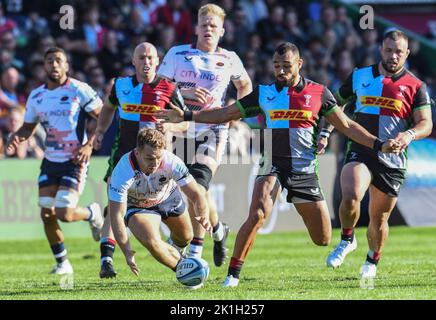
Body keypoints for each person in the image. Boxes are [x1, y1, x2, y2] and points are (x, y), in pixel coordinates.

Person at [157, 42, 401, 288]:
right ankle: (232, 277)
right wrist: (188, 115)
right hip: (271, 164)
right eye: (276, 66)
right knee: (257, 214)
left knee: (323, 238)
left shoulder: (319, 93)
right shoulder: (264, 93)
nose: (281, 71)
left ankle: (349, 239)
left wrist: (379, 145)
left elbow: (347, 126)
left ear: (299, 64)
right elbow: (225, 113)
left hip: (303, 170)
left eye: (286, 66)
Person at [321, 30, 432, 280]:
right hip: (362, 149)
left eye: (399, 52)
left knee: (379, 218)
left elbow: (426, 123)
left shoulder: (416, 86)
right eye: (389, 50)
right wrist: (325, 132)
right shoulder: (360, 76)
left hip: (392, 158)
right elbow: (335, 106)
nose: (393, 56)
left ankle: (372, 259)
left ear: (407, 54)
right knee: (350, 196)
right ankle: (348, 239)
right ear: (381, 49)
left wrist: (409, 135)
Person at [157, 3, 253, 267]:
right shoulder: (178, 54)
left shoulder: (229, 58)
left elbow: (245, 84)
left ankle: (195, 253)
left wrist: (235, 111)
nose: (208, 29)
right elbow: (160, 88)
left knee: (198, 187)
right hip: (179, 129)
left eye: (214, 26)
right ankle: (219, 231)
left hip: (212, 130)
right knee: (191, 193)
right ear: (196, 28)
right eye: (204, 25)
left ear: (222, 31)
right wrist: (185, 94)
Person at [92, 42, 188, 278]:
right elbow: (107, 108)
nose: (146, 62)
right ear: (133, 61)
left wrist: (172, 126)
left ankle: (176, 247)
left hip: (156, 162)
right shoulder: (121, 85)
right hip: (122, 157)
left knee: (176, 227)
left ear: (158, 61)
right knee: (113, 206)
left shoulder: (168, 88)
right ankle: (106, 260)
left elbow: (186, 122)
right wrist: (100, 131)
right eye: (141, 58)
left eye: (150, 58)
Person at [6, 47, 104, 275]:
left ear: (66, 65)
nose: (54, 65)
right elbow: (28, 127)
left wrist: (89, 145)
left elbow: (103, 116)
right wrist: (16, 136)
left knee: (64, 213)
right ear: (44, 66)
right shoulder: (37, 96)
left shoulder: (79, 90)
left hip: (75, 160)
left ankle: (92, 213)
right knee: (46, 212)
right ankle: (63, 263)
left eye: (59, 60)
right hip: (50, 160)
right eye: (49, 61)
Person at [109, 128, 212, 289]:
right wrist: (126, 250)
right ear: (137, 152)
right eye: (149, 158)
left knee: (186, 237)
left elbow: (197, 195)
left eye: (158, 157)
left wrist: (203, 216)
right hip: (138, 206)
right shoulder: (122, 171)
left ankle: (175, 250)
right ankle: (187, 272)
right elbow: (116, 216)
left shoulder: (172, 162)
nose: (155, 163)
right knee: (153, 242)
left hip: (168, 198)